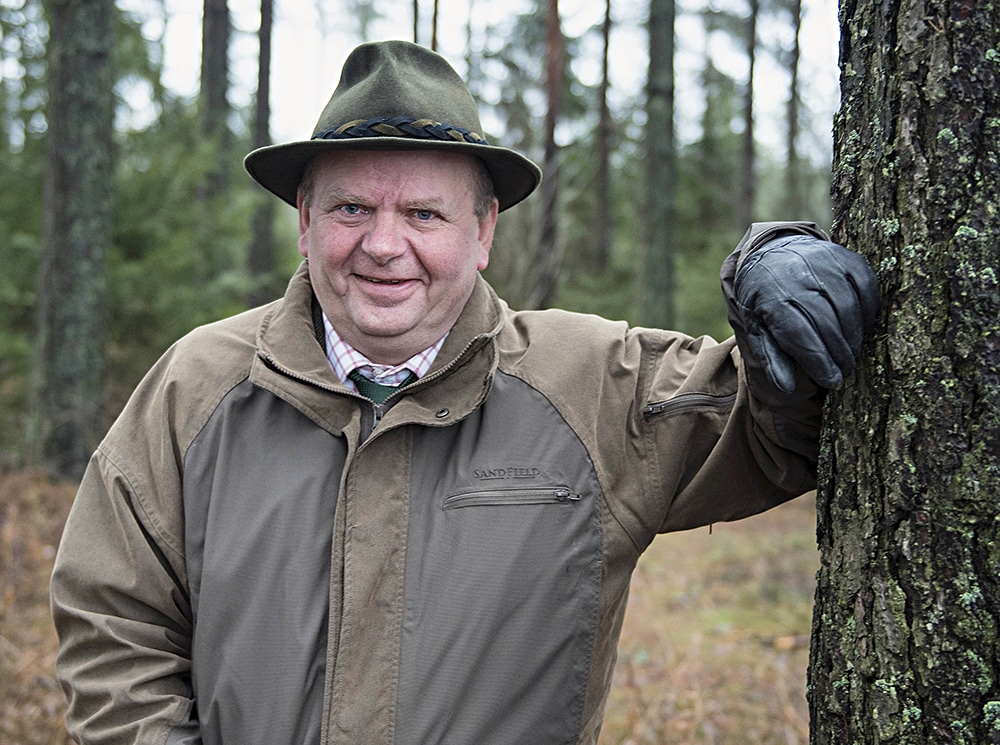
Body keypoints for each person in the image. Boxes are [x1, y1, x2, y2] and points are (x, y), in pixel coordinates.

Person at [50, 40, 879, 745]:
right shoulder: (197, 387)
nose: (382, 244)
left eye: (423, 213)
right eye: (350, 207)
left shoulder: (590, 383)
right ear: (304, 220)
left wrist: (772, 263)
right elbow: (111, 616)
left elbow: (787, 428)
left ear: (482, 231)